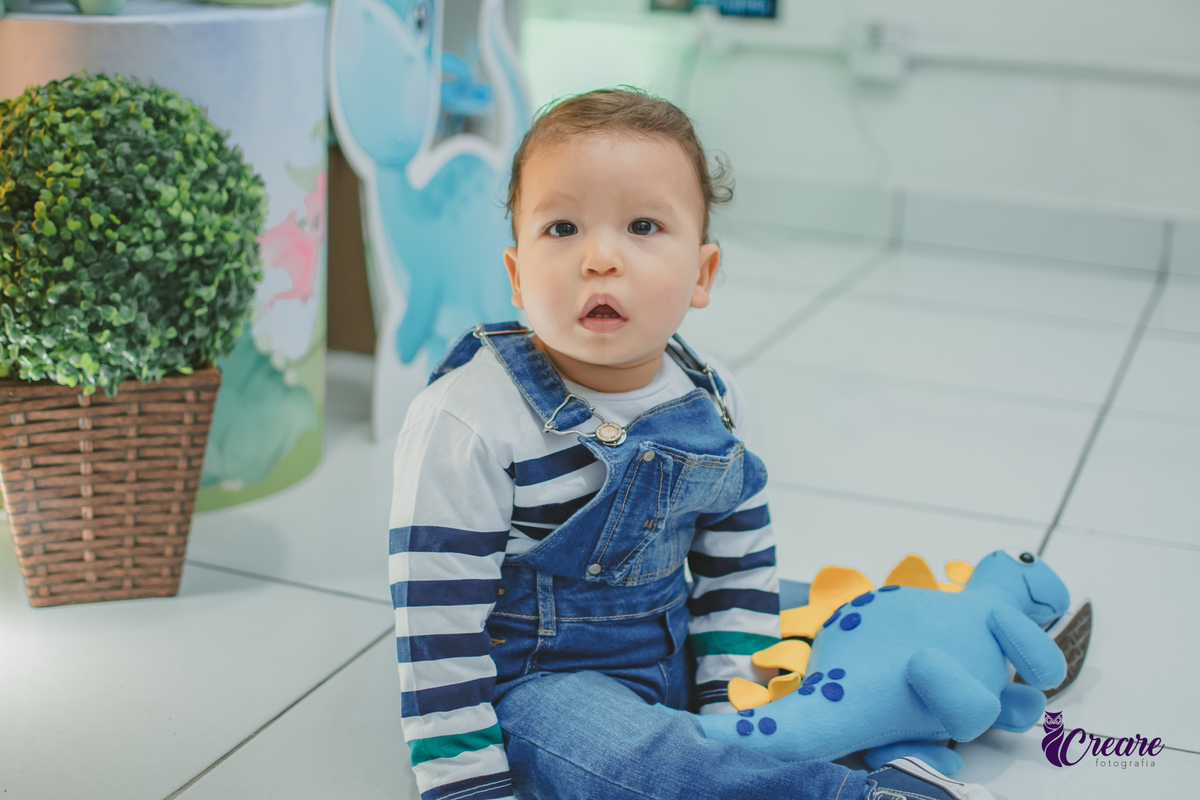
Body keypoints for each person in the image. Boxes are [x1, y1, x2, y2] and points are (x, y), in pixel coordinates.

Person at [388, 87, 995, 800]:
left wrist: (734, 705)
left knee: (815, 621)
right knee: (646, 765)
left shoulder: (710, 397)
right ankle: (859, 794)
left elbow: (736, 560)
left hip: (678, 640)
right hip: (538, 686)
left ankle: (976, 628)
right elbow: (436, 623)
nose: (601, 258)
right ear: (518, 275)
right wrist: (464, 785)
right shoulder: (470, 419)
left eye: (642, 224)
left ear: (701, 274)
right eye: (562, 229)